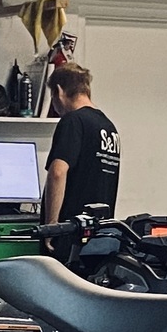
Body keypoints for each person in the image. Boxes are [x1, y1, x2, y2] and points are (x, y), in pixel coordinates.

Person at [41, 64, 120, 228]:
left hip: (71, 230)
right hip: (100, 230)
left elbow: (57, 172)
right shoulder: (108, 127)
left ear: (59, 91)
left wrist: (52, 225)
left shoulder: (73, 121)